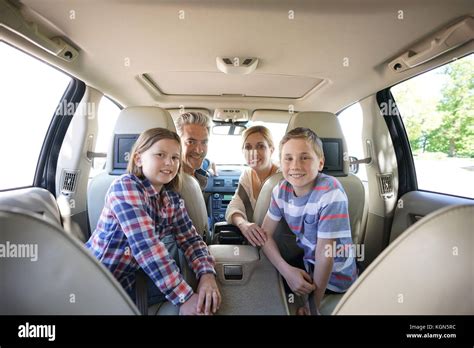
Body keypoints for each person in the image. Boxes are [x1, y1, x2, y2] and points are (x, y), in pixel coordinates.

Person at [85, 127, 221, 315]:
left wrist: (206, 274)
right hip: (98, 281)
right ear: (138, 159)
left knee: (207, 302)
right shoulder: (125, 188)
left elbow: (191, 240)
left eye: (175, 157)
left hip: (133, 279)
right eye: (160, 155)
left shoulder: (171, 199)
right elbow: (147, 248)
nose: (169, 163)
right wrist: (185, 297)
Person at [261, 127, 357, 315]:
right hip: (309, 265)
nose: (295, 165)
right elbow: (265, 235)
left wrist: (313, 306)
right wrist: (287, 271)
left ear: (320, 163)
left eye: (304, 157)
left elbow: (325, 254)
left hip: (336, 278)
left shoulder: (331, 192)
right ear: (280, 163)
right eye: (288, 158)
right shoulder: (280, 190)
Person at [225, 125, 279, 246]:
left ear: (271, 149)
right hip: (255, 243)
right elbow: (234, 207)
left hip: (278, 245)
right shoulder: (247, 175)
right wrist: (243, 224)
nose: (253, 153)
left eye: (260, 146)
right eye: (248, 147)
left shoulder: (281, 177)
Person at [175, 112, 212, 190]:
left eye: (204, 142)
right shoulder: (172, 183)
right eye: (191, 142)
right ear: (177, 143)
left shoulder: (200, 166)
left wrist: (210, 163)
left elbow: (205, 163)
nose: (199, 150)